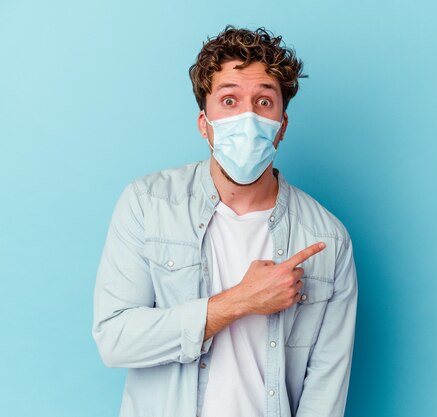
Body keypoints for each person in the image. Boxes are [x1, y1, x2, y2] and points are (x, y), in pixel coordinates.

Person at [92, 26, 358, 417]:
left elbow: (326, 389)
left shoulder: (327, 239)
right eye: (229, 100)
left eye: (264, 102)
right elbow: (114, 340)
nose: (247, 118)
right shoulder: (148, 204)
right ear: (205, 123)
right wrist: (240, 301)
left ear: (281, 127)